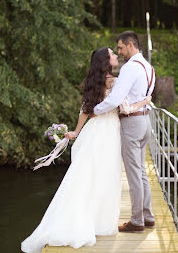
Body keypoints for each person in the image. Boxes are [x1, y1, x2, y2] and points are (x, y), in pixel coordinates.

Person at [21, 47, 151, 253]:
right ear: (106, 61)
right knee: (105, 176)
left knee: (88, 174)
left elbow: (85, 109)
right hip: (109, 133)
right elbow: (125, 107)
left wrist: (76, 131)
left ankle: (84, 215)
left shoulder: (93, 81)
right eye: (112, 54)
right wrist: (145, 101)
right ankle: (99, 221)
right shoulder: (115, 82)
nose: (116, 55)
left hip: (93, 132)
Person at [94, 31, 156, 233]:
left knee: (133, 175)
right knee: (141, 173)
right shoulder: (149, 67)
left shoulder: (130, 68)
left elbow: (114, 99)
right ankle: (148, 216)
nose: (119, 52)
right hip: (145, 121)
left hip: (131, 123)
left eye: (120, 47)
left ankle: (137, 220)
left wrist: (94, 110)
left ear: (131, 45)